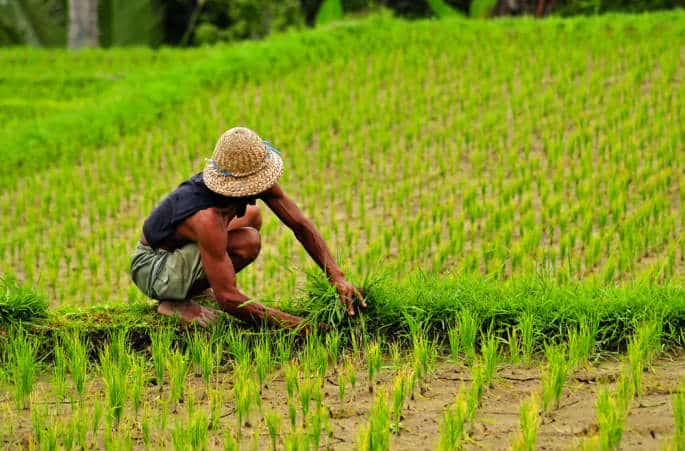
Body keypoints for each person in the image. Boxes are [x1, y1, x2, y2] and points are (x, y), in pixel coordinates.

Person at [130, 127, 366, 329]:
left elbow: (300, 225)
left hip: (178, 249)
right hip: (153, 268)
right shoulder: (207, 219)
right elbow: (228, 298)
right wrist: (297, 326)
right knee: (248, 242)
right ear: (242, 185)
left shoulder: (248, 180)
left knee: (252, 216)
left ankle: (192, 287)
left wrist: (337, 276)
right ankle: (174, 301)